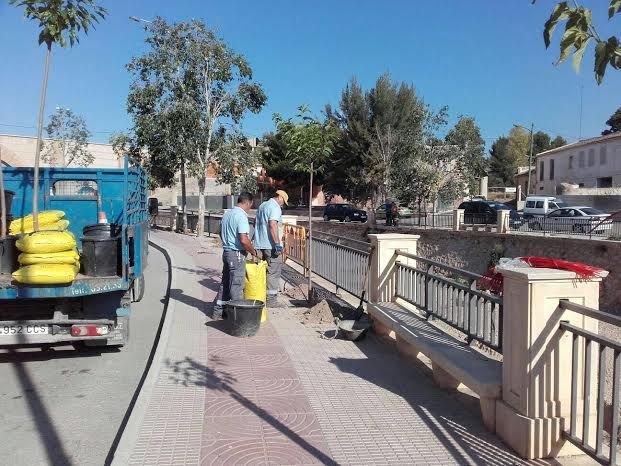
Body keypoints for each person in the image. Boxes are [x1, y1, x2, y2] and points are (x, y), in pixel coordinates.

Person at [214, 192, 257, 319]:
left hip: (227, 252)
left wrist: (228, 244)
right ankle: (237, 318)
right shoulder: (241, 216)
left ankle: (219, 311)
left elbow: (220, 233)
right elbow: (244, 240)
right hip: (236, 254)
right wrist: (252, 251)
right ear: (248, 203)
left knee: (225, 283)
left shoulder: (227, 214)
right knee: (236, 286)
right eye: (251, 205)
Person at [253, 189, 288, 306]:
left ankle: (259, 296)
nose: (283, 204)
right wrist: (277, 244)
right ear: (280, 197)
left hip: (259, 243)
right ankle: (271, 300)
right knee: (273, 271)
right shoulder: (275, 207)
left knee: (261, 271)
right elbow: (272, 224)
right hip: (270, 245)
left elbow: (255, 223)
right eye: (284, 201)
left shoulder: (262, 206)